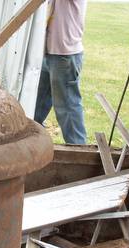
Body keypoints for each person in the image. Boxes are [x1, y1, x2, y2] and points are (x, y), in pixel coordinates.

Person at [34, 0, 88, 145]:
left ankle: (78, 150)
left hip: (64, 54)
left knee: (67, 108)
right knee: (36, 105)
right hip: (48, 52)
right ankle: (31, 143)